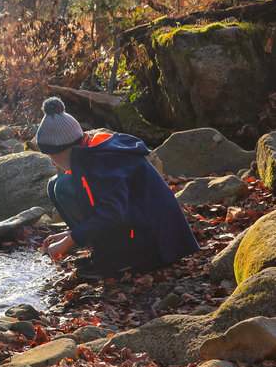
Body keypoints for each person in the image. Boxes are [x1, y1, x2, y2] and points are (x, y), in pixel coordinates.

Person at [37, 97, 198, 279]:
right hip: (140, 226)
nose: (52, 161)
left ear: (67, 150)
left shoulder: (105, 162)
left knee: (64, 186)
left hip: (160, 242)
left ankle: (123, 259)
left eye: (53, 155)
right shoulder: (90, 153)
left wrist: (71, 240)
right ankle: (109, 253)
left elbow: (112, 213)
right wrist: (71, 233)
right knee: (55, 185)